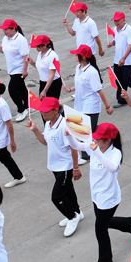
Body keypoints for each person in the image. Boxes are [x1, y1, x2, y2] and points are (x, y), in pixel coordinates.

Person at [65, 123, 131, 262]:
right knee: (105, 222)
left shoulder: (115, 153)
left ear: (108, 140)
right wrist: (69, 135)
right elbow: (77, 145)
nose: (94, 140)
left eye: (98, 138)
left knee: (100, 230)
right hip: (96, 196)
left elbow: (112, 168)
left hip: (109, 199)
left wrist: (97, 153)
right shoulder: (94, 145)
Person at [26, 97, 84, 237]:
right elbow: (45, 142)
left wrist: (75, 168)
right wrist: (35, 130)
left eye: (46, 112)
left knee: (57, 197)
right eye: (42, 112)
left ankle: (72, 217)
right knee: (68, 191)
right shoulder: (49, 124)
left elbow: (73, 148)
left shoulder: (64, 125)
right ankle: (77, 211)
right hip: (54, 165)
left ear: (55, 110)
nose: (43, 114)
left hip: (65, 167)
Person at [62, 45, 113, 162]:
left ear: (83, 57)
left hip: (90, 106)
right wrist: (70, 89)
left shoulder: (92, 72)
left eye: (77, 54)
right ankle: (107, 135)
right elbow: (80, 83)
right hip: (79, 104)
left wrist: (107, 106)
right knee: (89, 130)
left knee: (85, 132)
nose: (75, 56)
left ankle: (86, 155)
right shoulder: (78, 68)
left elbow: (99, 90)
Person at [0, 19, 30, 122]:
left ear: (13, 29)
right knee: (21, 88)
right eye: (4, 29)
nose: (4, 31)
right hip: (11, 69)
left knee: (12, 89)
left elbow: (26, 56)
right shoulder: (5, 38)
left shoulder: (20, 39)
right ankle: (28, 104)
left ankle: (22, 109)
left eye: (6, 29)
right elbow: (3, 50)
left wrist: (24, 70)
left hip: (19, 69)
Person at [108, 11, 131, 108]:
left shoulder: (129, 30)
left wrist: (124, 58)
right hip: (117, 60)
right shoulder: (115, 29)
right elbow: (115, 40)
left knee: (128, 80)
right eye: (115, 21)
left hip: (127, 61)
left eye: (118, 20)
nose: (116, 22)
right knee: (119, 81)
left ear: (123, 20)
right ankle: (121, 100)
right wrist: (111, 44)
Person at [29, 35, 63, 99]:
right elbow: (41, 68)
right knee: (43, 105)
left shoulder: (52, 56)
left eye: (38, 46)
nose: (36, 48)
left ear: (44, 45)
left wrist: (44, 90)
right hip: (43, 82)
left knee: (51, 106)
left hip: (52, 84)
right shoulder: (40, 54)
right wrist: (32, 62)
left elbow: (51, 75)